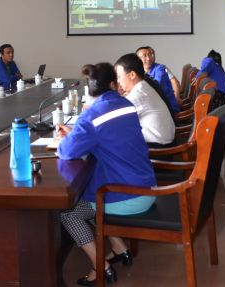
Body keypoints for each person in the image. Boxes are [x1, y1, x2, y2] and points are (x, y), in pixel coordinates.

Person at [57, 63, 156, 286]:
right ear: (113, 84)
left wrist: (70, 136)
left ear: (90, 89)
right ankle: (120, 249)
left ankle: (100, 266)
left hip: (127, 196)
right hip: (146, 186)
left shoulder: (91, 115)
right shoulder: (126, 104)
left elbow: (66, 152)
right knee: (91, 198)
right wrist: (78, 134)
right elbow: (109, 135)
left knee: (70, 213)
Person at [114, 53, 175, 147]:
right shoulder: (143, 86)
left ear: (132, 75)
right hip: (164, 140)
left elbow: (115, 119)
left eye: (119, 77)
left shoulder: (138, 94)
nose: (118, 81)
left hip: (159, 147)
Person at [135, 46, 180, 113]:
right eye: (144, 56)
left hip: (167, 108)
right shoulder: (139, 72)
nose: (148, 58)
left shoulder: (160, 69)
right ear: (138, 59)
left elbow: (155, 87)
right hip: (156, 106)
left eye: (149, 55)